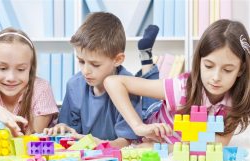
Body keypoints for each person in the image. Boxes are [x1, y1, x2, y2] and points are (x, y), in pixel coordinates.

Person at [104, 19, 250, 146]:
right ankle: (146, 57)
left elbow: (219, 143)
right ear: (199, 62)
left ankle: (147, 58)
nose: (216, 77)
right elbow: (112, 82)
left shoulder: (237, 100)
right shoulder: (181, 88)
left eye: (228, 69)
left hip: (168, 121)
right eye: (209, 66)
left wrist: (167, 149)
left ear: (241, 69)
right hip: (152, 114)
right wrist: (138, 126)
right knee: (150, 101)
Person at [44, 12, 170, 148]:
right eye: (81, 61)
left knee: (150, 108)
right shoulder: (74, 85)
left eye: (95, 64)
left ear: (117, 60)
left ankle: (146, 58)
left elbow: (126, 142)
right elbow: (69, 130)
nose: (85, 71)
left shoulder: (127, 86)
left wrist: (103, 145)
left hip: (130, 136)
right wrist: (62, 128)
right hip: (90, 153)